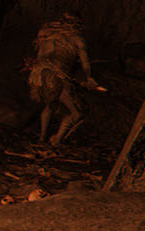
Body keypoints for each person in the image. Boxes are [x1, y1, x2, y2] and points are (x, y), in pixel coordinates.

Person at [24, 14, 105, 146]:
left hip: (41, 73)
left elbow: (40, 55)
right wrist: (89, 77)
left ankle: (43, 138)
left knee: (51, 105)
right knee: (75, 112)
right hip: (57, 75)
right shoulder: (78, 39)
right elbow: (85, 63)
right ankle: (57, 138)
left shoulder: (47, 33)